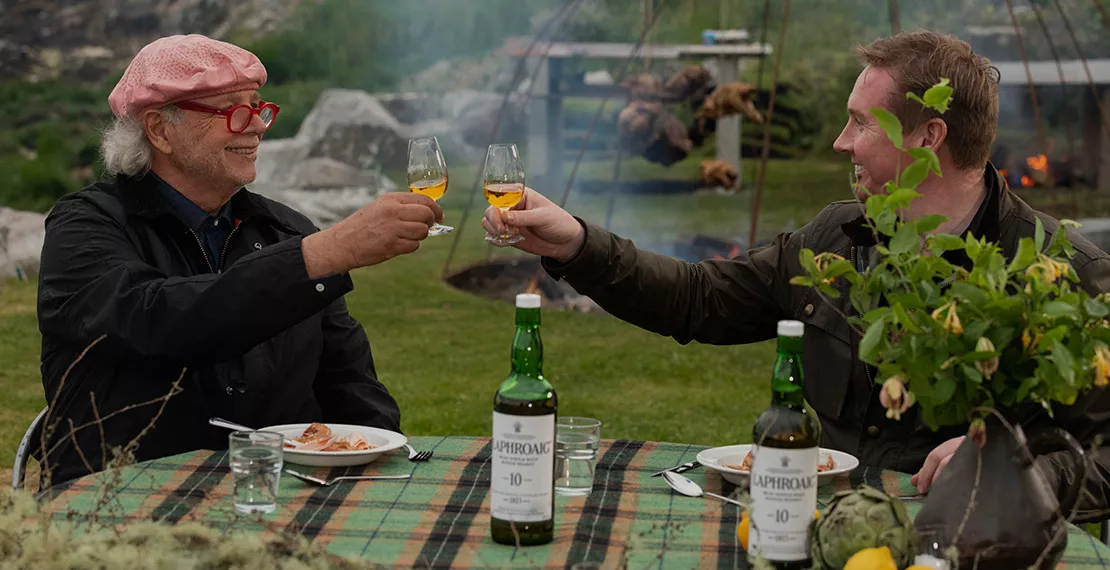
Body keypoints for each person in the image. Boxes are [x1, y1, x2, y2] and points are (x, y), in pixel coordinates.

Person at [483, 30, 1110, 521]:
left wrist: (1014, 464)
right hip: (817, 526)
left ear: (929, 136)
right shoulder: (836, 240)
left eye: (860, 123)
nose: (840, 142)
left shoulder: (1065, 277)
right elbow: (699, 300)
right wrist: (578, 245)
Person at [35, 34, 443, 485]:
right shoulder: (83, 225)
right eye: (231, 109)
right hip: (120, 499)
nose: (255, 126)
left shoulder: (285, 229)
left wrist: (379, 454)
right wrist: (321, 254)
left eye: (258, 107)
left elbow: (348, 379)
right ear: (159, 129)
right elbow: (155, 318)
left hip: (282, 493)